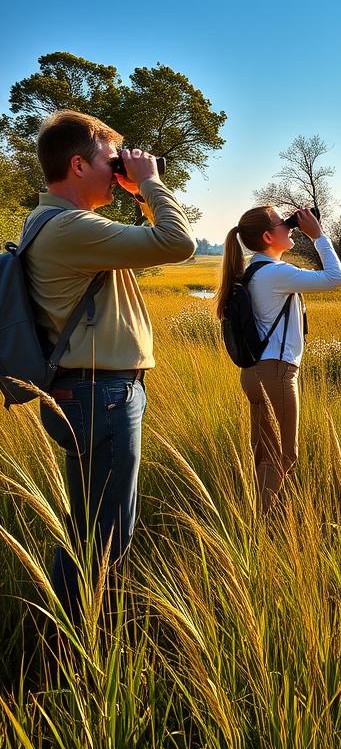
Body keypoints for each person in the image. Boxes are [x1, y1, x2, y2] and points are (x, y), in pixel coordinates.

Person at [23, 110, 195, 625]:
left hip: (88, 393)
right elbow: (178, 243)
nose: (116, 170)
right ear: (77, 165)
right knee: (107, 537)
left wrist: (136, 188)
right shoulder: (73, 227)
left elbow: (153, 242)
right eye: (107, 160)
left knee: (88, 529)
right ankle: (82, 652)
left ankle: (59, 639)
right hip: (102, 395)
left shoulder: (53, 224)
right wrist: (150, 182)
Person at [215, 206, 341, 513]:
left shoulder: (253, 271)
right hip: (276, 372)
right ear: (267, 236)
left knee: (265, 456)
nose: (289, 227)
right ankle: (261, 524)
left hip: (254, 373)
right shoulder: (275, 274)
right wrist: (317, 236)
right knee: (285, 456)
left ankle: (261, 519)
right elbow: (335, 278)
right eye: (282, 224)